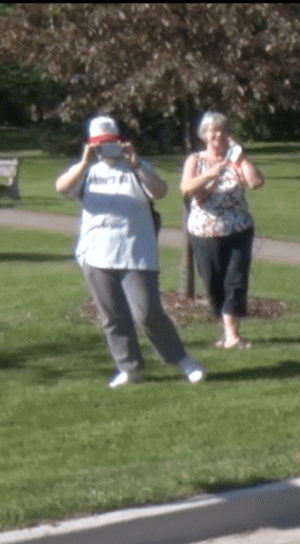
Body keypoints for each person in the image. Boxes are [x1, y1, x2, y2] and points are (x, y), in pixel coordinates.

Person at [55, 115, 205, 388]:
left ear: (120, 140)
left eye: (110, 141)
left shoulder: (138, 167)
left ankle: (182, 359)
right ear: (90, 143)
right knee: (112, 315)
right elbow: (62, 188)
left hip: (137, 250)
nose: (105, 147)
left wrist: (135, 164)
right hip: (95, 252)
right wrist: (85, 161)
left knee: (147, 311)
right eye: (99, 142)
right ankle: (129, 367)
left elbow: (160, 191)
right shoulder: (86, 171)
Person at [180, 111, 265, 349]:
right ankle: (226, 331)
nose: (218, 134)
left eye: (222, 130)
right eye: (212, 130)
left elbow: (255, 183)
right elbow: (185, 188)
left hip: (238, 229)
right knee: (212, 281)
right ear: (205, 135)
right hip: (204, 232)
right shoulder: (195, 161)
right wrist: (208, 174)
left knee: (236, 281)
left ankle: (232, 335)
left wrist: (242, 157)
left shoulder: (236, 159)